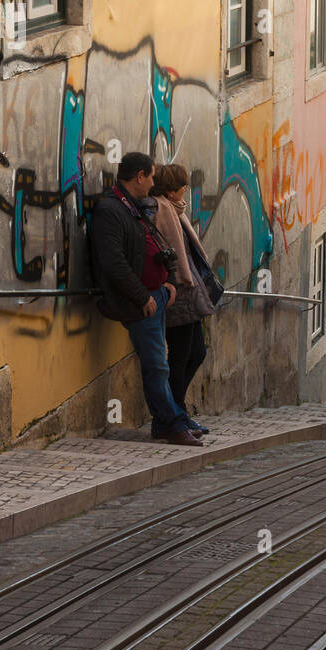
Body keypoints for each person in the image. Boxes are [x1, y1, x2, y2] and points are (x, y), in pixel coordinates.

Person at [90, 152, 202, 447]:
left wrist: (166, 281)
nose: (154, 182)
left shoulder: (132, 207)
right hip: (140, 301)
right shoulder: (111, 210)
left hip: (155, 295)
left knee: (161, 362)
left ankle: (166, 423)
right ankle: (173, 424)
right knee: (157, 364)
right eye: (151, 176)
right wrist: (142, 296)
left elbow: (150, 247)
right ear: (139, 176)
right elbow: (114, 262)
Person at [150, 163, 215, 436]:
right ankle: (171, 418)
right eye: (184, 185)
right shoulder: (160, 209)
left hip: (189, 291)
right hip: (177, 291)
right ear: (173, 189)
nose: (187, 189)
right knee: (179, 357)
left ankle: (175, 412)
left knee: (196, 352)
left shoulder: (175, 209)